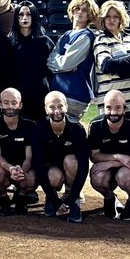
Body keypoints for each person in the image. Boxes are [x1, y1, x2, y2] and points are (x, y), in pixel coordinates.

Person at [88, 89, 130, 221]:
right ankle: (109, 197)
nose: (113, 112)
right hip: (109, 165)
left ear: (124, 109)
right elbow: (94, 156)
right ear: (103, 108)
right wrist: (117, 157)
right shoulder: (95, 125)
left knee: (123, 176)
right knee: (97, 177)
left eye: (118, 108)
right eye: (108, 108)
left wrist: (111, 162)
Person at [31, 91, 88, 223]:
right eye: (51, 107)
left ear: (66, 107)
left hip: (69, 167)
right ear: (45, 109)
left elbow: (84, 167)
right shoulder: (39, 129)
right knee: (54, 176)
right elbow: (38, 166)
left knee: (72, 161)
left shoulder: (77, 129)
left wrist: (72, 199)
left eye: (60, 106)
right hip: (51, 169)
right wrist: (54, 200)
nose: (56, 111)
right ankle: (50, 198)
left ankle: (73, 200)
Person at [93, 0, 130, 123]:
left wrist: (122, 70)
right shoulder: (100, 40)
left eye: (115, 16)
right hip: (112, 104)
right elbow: (107, 65)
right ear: (103, 19)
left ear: (121, 18)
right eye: (108, 16)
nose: (111, 20)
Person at [47, 0, 99, 124]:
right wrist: (62, 63)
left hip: (75, 95)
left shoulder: (86, 36)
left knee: (69, 135)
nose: (80, 12)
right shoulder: (66, 35)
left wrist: (61, 63)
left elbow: (65, 64)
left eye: (84, 10)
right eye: (77, 8)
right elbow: (50, 61)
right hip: (59, 91)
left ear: (90, 15)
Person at [0, 88, 38, 215]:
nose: (10, 106)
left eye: (14, 103)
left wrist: (21, 171)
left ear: (20, 105)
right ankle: (4, 201)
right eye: (6, 102)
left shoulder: (30, 125)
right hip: (4, 167)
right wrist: (10, 169)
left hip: (24, 167)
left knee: (32, 178)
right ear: (0, 104)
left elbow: (29, 156)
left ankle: (21, 198)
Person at [10, 1, 52, 123]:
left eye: (28, 14)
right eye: (21, 14)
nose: (24, 18)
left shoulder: (45, 42)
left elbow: (54, 68)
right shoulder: (10, 42)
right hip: (18, 95)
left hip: (40, 94)